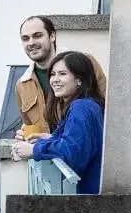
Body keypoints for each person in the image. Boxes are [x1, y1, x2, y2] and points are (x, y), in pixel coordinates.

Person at [11, 51, 105, 194]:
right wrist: (51, 138)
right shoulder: (85, 105)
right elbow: (79, 143)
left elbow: (73, 152)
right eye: (53, 74)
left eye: (62, 74)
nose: (55, 79)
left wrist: (34, 150)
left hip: (85, 199)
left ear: (79, 79)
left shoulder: (81, 108)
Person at [15, 16, 106, 140]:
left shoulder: (85, 63)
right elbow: (30, 127)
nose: (31, 43)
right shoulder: (22, 85)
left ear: (52, 36)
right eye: (25, 38)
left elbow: (108, 108)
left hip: (84, 152)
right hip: (48, 156)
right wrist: (24, 135)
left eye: (37, 36)